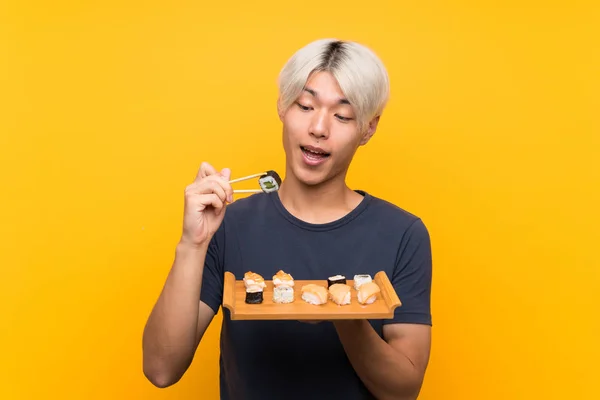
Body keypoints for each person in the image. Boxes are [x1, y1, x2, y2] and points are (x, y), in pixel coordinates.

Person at [142, 38, 433, 400]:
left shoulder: (403, 234)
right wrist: (192, 243)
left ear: (368, 129)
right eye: (306, 105)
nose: (319, 127)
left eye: (342, 116)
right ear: (282, 105)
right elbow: (160, 368)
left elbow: (403, 391)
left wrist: (344, 313)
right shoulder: (228, 225)